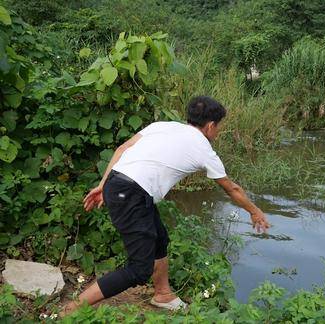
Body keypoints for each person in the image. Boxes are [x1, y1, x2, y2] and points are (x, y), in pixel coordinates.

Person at [61, 96, 270, 315]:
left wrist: (104, 184)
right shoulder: (204, 149)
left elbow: (122, 149)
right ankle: (70, 310)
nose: (217, 132)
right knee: (139, 270)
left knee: (160, 238)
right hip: (131, 193)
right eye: (218, 127)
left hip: (122, 185)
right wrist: (254, 211)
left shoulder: (162, 126)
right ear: (210, 126)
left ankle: (163, 294)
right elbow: (232, 189)